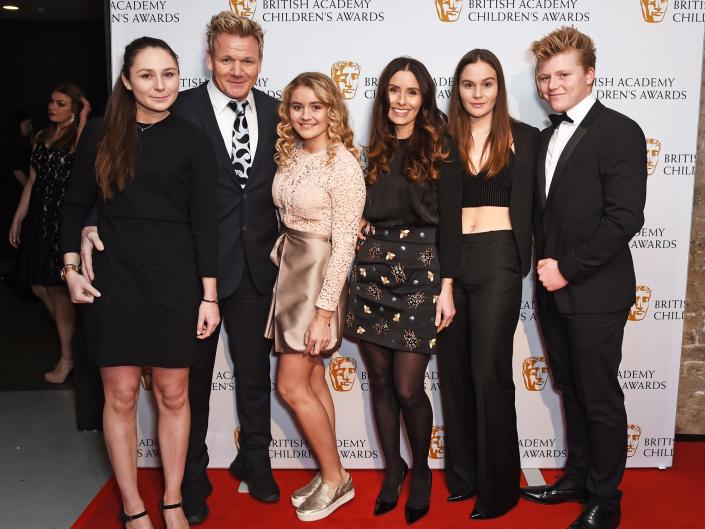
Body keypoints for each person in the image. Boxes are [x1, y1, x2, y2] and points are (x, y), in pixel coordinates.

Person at [80, 12, 281, 523]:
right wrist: (87, 225)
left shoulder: (280, 112)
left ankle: (256, 461)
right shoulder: (178, 108)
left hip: (256, 267)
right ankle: (190, 481)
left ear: (260, 62)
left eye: (248, 60)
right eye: (227, 59)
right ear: (209, 59)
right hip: (189, 274)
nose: (237, 69)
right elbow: (116, 169)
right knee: (185, 388)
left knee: (255, 377)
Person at [61, 37, 219, 529]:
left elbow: (205, 223)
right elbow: (73, 204)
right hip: (115, 279)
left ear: (180, 77)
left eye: (168, 74)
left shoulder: (194, 138)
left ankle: (171, 500)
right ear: (126, 80)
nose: (159, 85)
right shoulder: (101, 134)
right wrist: (69, 268)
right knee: (122, 393)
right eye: (147, 75)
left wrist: (208, 295)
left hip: (175, 281)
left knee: (175, 394)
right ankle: (133, 505)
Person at [520, 27, 647, 529]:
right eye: (545, 76)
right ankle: (576, 478)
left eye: (564, 75)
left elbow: (624, 218)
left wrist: (567, 269)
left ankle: (605, 499)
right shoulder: (548, 136)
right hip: (551, 292)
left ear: (590, 75)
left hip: (594, 292)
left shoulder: (620, 131)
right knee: (571, 390)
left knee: (599, 396)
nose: (552, 85)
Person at [344, 57, 459, 524]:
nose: (401, 101)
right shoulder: (370, 151)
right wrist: (357, 220)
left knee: (410, 387)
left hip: (421, 273)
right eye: (394, 90)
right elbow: (357, 205)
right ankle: (394, 469)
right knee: (382, 382)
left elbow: (451, 223)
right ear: (384, 95)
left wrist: (446, 285)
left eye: (412, 92)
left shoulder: (440, 149)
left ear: (424, 98)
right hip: (371, 271)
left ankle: (423, 472)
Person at [437, 49, 539, 520]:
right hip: (451, 264)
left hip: (500, 260)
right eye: (468, 84)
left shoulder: (527, 139)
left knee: (490, 372)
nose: (477, 93)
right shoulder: (441, 138)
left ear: (499, 88)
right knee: (454, 370)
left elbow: (547, 208)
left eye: (487, 83)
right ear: (457, 90)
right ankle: (463, 477)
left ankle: (498, 489)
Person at [268, 72, 365, 521]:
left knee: (290, 383)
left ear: (332, 111)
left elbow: (344, 243)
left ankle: (333, 478)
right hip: (292, 269)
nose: (306, 115)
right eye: (297, 106)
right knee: (310, 380)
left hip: (318, 277)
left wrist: (324, 311)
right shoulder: (291, 154)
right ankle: (336, 473)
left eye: (316, 107)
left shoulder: (342, 164)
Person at [9, 85, 90, 383]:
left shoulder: (77, 138)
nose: (52, 107)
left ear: (74, 108)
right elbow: (32, 181)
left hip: (62, 219)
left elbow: (84, 169)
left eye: (60, 103)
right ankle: (74, 342)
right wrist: (18, 218)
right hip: (38, 220)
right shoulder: (41, 137)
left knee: (58, 289)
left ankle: (68, 358)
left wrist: (84, 118)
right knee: (38, 286)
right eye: (51, 101)